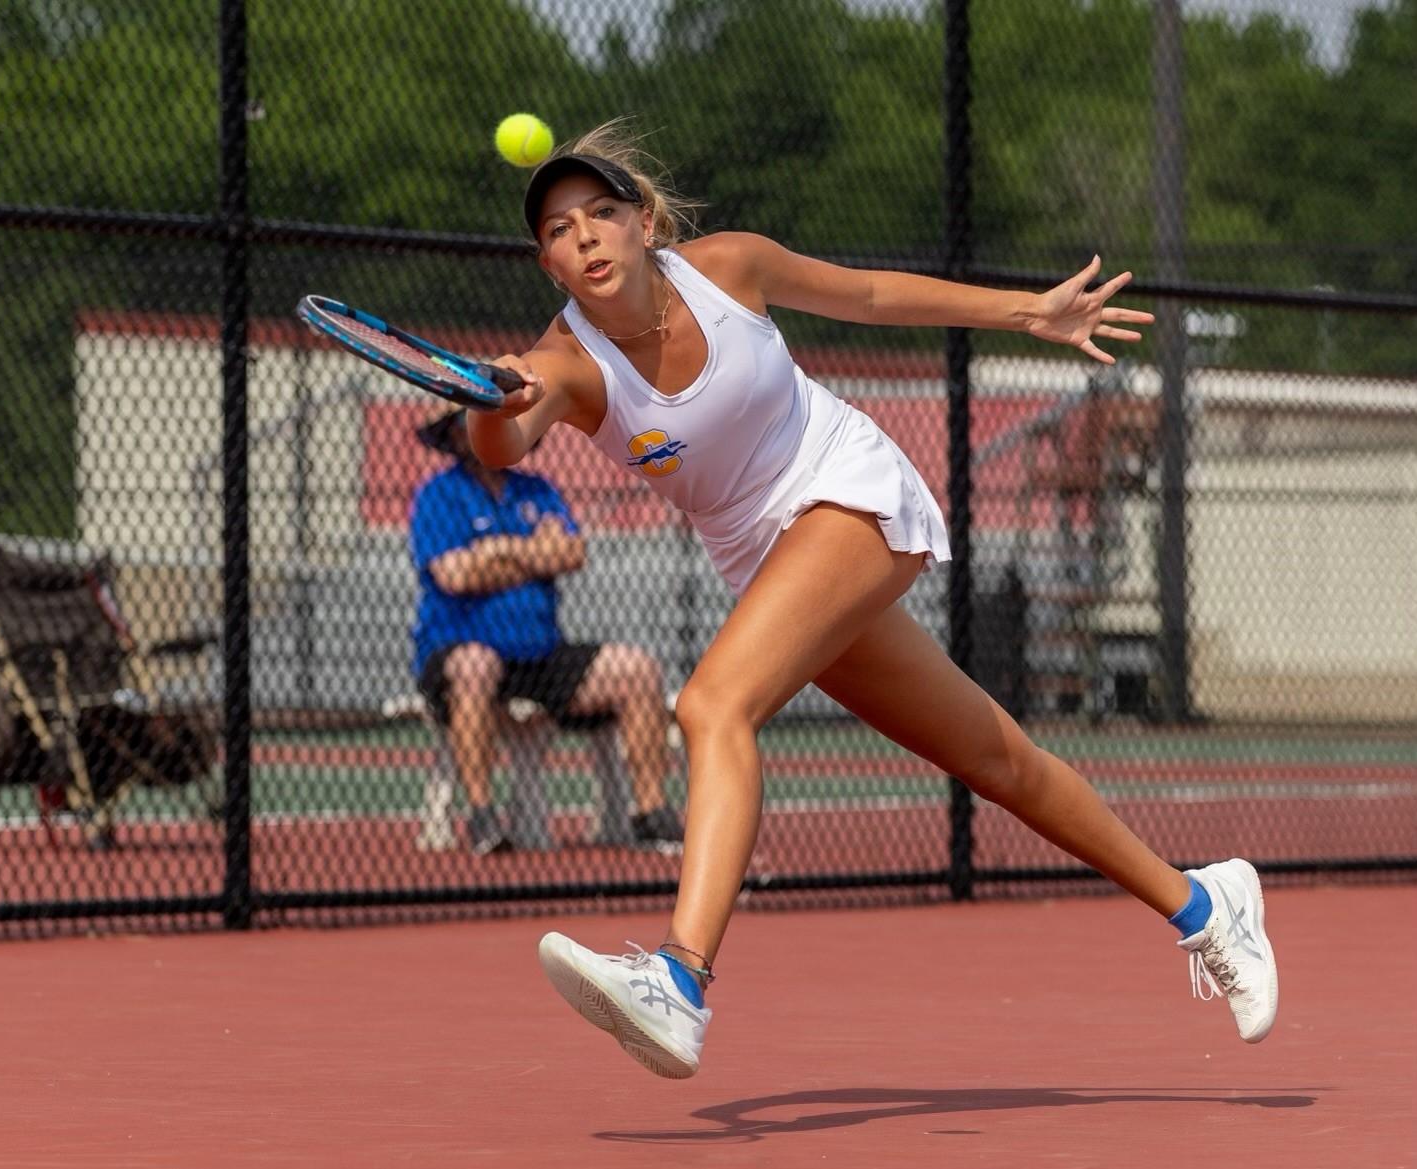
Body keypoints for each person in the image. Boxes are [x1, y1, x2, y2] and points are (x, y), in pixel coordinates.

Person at [465, 121, 1277, 1078]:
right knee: (994, 757)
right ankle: (1202, 902)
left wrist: (1028, 312)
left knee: (711, 705)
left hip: (846, 488)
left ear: (643, 223)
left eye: (602, 212)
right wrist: (492, 403)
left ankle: (678, 981)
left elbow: (871, 294)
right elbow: (500, 452)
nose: (586, 237)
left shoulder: (727, 268)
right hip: (764, 559)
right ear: (547, 261)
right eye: (560, 230)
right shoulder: (562, 362)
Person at [409, 400, 686, 855]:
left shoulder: (537, 490)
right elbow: (454, 576)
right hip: (460, 650)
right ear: (457, 435)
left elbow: (571, 554)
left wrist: (497, 552)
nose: (489, 431)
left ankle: (650, 812)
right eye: (475, 422)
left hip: (540, 654)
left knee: (637, 670)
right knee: (476, 667)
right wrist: (533, 553)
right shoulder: (438, 495)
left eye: (499, 423)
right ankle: (483, 817)